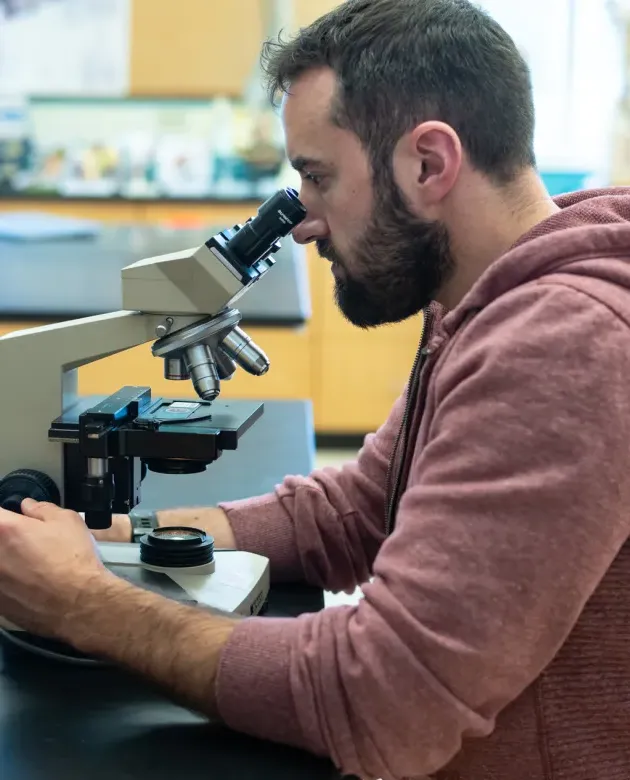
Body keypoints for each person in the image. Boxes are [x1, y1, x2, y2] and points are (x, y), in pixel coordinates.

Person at [1, 1, 630, 777]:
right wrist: (115, 541)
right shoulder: (493, 301)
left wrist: (84, 606)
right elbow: (359, 511)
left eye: (318, 178)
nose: (304, 225)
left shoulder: (560, 343)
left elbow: (383, 698)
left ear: (429, 163)